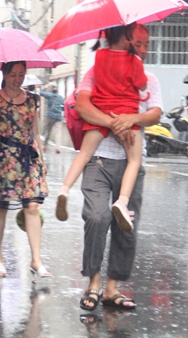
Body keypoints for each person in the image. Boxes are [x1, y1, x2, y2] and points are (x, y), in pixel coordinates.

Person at [77, 23, 162, 310]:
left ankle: (112, 287)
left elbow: (154, 114)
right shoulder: (96, 71)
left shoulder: (147, 77)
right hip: (99, 157)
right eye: (138, 43)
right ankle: (93, 282)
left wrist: (133, 120)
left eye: (147, 44)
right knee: (97, 217)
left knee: (126, 226)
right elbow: (82, 107)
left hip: (131, 162)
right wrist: (115, 121)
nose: (143, 50)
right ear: (125, 40)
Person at [56, 25, 147, 231]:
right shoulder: (134, 61)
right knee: (134, 160)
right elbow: (141, 85)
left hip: (100, 115)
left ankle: (64, 189)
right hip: (126, 117)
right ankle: (122, 202)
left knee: (84, 155)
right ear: (126, 39)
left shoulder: (100, 58)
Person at [0, 61, 51, 279]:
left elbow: (35, 131)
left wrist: (42, 161)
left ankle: (36, 260)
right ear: (4, 74)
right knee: (1, 208)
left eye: (21, 74)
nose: (17, 79)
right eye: (12, 74)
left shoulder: (32, 99)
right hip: (3, 158)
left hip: (28, 157)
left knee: (32, 207)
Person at [39, 85, 64, 153]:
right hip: (58, 117)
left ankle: (44, 146)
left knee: (47, 131)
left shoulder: (50, 95)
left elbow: (40, 92)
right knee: (58, 132)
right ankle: (58, 147)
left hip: (50, 116)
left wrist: (45, 87)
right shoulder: (61, 97)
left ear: (51, 90)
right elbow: (63, 107)